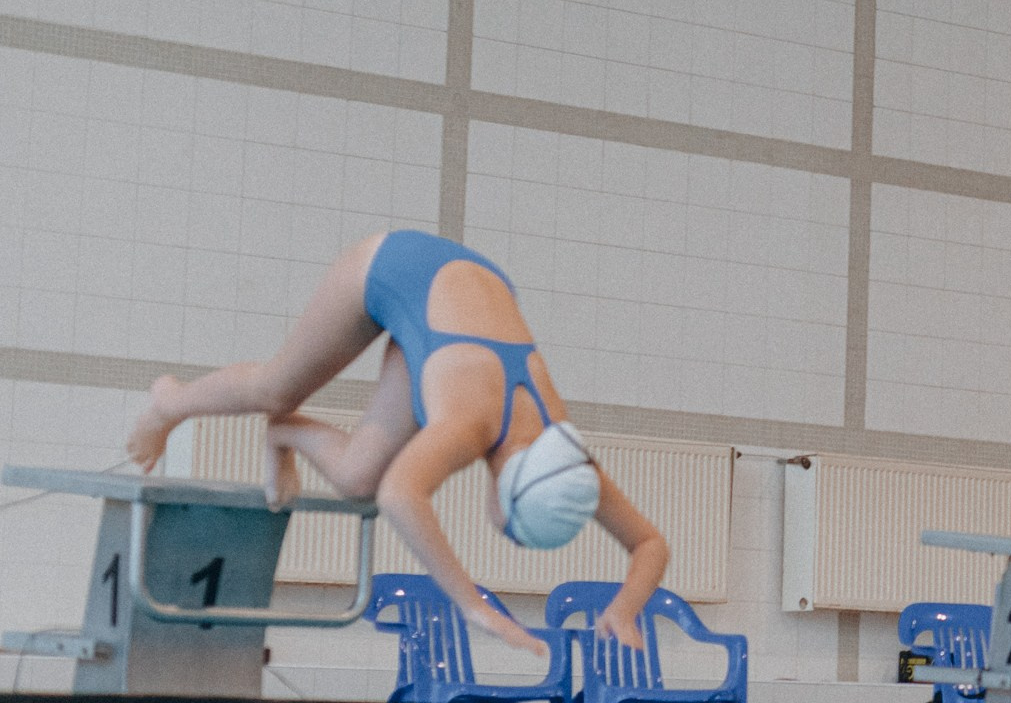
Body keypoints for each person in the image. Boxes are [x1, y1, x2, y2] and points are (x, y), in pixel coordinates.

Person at [125, 230, 669, 654]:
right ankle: (171, 402)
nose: (507, 538)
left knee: (358, 479)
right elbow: (401, 496)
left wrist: (623, 611)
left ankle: (285, 433)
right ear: (507, 495)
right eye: (514, 533)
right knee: (276, 388)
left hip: (460, 306)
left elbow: (650, 544)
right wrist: (474, 605)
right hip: (394, 267)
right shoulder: (470, 423)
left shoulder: (568, 463)